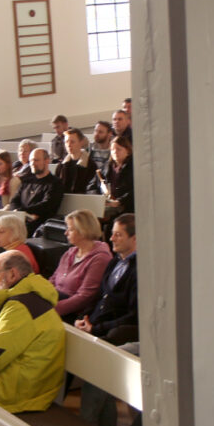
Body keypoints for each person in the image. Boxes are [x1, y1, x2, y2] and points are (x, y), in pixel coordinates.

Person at [0, 250, 67, 413]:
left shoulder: (20, 307)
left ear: (12, 274)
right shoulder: (29, 298)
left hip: (21, 392)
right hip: (26, 384)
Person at [76, 213, 138, 345]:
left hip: (110, 331)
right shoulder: (114, 261)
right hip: (94, 323)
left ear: (135, 239)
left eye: (118, 235)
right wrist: (82, 317)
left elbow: (133, 315)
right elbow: (99, 295)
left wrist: (95, 328)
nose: (111, 238)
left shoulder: (140, 270)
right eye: (112, 233)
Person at [50, 209, 113, 322]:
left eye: (70, 229)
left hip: (73, 312)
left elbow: (85, 297)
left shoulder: (100, 258)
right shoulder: (69, 252)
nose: (66, 233)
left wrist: (51, 310)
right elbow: (53, 279)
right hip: (54, 300)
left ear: (83, 231)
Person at [10, 147, 64, 235]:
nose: (32, 164)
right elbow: (14, 200)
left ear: (47, 161)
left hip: (40, 225)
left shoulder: (55, 183)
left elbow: (47, 205)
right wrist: (20, 212)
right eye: (31, 161)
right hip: (20, 221)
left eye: (36, 160)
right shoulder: (26, 181)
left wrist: (23, 211)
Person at [101, 135, 135, 222]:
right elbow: (93, 184)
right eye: (112, 149)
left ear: (127, 151)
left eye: (119, 149)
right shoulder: (106, 166)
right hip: (108, 205)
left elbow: (135, 189)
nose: (115, 152)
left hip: (126, 208)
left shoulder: (133, 167)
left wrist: (120, 201)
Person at [56, 127, 95, 194]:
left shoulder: (90, 165)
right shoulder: (62, 165)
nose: (69, 145)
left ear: (81, 143)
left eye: (72, 142)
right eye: (66, 142)